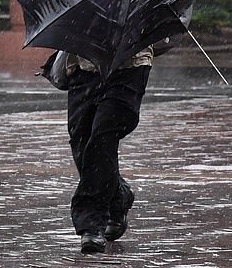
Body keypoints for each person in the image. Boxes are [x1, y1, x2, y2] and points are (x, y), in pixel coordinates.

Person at [43, 48, 152, 253]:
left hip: (129, 68)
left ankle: (91, 224)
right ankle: (118, 195)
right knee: (82, 143)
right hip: (83, 68)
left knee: (103, 137)